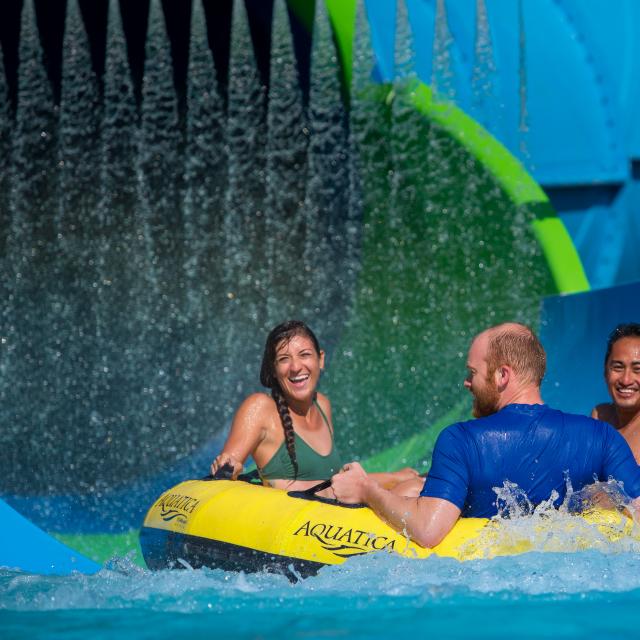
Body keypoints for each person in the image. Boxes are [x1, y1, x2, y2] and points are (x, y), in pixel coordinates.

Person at [331, 322, 640, 548]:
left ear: (502, 375)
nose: (468, 383)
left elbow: (427, 530)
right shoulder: (603, 436)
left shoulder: (461, 439)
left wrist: (366, 490)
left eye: (472, 373)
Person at [211, 320, 418, 492]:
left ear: (321, 359)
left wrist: (394, 477)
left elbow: (333, 481)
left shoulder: (322, 405)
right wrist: (229, 465)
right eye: (284, 359)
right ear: (273, 370)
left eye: (305, 355)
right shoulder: (260, 408)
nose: (295, 367)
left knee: (413, 486)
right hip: (290, 528)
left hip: (329, 521)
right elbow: (229, 466)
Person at [591, 323, 640, 463]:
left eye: (638, 369)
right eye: (618, 367)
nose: (626, 380)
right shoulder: (601, 416)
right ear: (605, 372)